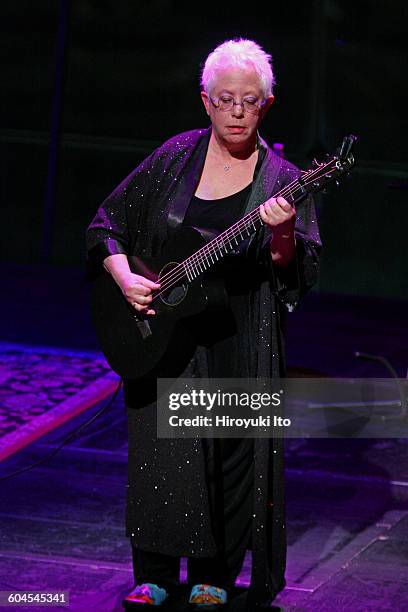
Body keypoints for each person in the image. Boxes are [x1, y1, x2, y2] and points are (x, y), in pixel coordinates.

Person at [86, 39, 321, 610]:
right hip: (163, 330)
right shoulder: (174, 156)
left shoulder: (283, 178)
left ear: (267, 104)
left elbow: (298, 273)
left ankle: (216, 571)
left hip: (239, 336)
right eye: (225, 100)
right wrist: (123, 275)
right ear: (205, 102)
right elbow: (107, 223)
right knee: (161, 452)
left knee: (229, 452)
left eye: (249, 101)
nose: (237, 112)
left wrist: (283, 232)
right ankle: (156, 572)